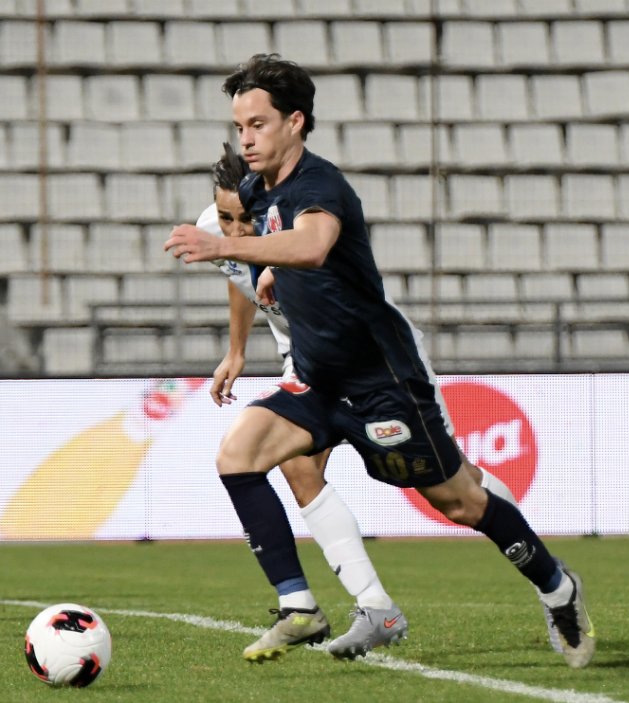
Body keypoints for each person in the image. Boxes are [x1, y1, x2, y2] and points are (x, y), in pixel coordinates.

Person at [166, 54, 595, 669]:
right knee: (238, 455)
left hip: (380, 380)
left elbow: (314, 244)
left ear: (295, 121)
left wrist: (225, 247)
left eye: (258, 125)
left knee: (461, 501)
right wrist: (256, 297)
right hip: (316, 378)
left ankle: (557, 588)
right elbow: (253, 265)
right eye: (240, 127)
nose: (247, 139)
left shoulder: (320, 185)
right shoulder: (257, 191)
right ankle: (301, 605)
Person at [197, 143, 520, 662]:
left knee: (455, 488)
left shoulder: (301, 223)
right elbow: (239, 274)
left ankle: (531, 552)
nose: (235, 232)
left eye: (244, 220)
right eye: (225, 219)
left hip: (376, 360)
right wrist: (236, 350)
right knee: (295, 466)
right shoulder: (217, 230)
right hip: (307, 362)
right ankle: (367, 606)